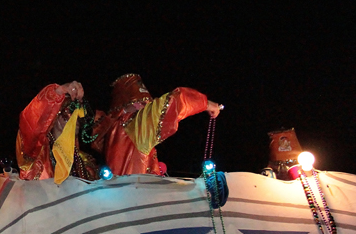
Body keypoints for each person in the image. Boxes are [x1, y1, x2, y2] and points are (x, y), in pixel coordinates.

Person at [91, 73, 221, 176]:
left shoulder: (111, 130)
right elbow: (174, 102)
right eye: (144, 103)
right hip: (136, 198)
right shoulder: (134, 126)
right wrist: (206, 104)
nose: (146, 107)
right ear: (132, 105)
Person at [16, 81, 100, 182]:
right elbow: (31, 122)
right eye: (68, 113)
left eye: (78, 116)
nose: (74, 120)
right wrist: (58, 92)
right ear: (55, 118)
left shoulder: (86, 163)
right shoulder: (37, 153)